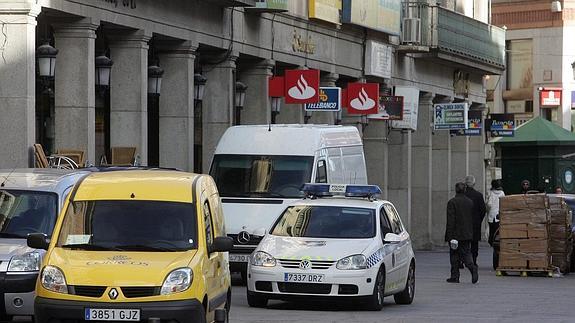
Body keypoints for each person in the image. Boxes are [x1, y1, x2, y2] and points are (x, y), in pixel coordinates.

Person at [445, 182, 478, 284]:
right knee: (466, 253)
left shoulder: (452, 202)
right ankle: (472, 268)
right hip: (467, 233)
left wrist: (449, 236)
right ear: (464, 190)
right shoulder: (470, 202)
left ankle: (455, 276)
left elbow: (451, 220)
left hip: (455, 234)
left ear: (456, 190)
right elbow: (473, 219)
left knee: (454, 255)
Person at [464, 175, 486, 266]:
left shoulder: (462, 195)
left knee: (464, 242)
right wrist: (479, 220)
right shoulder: (479, 195)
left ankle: (463, 260)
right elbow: (483, 210)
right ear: (474, 184)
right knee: (474, 243)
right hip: (475, 223)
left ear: (466, 184)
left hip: (464, 223)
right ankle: (473, 260)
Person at [486, 179, 505, 246]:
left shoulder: (490, 193)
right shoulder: (502, 193)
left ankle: (491, 241)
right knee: (498, 229)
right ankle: (497, 240)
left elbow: (489, 204)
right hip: (498, 213)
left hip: (491, 213)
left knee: (491, 229)